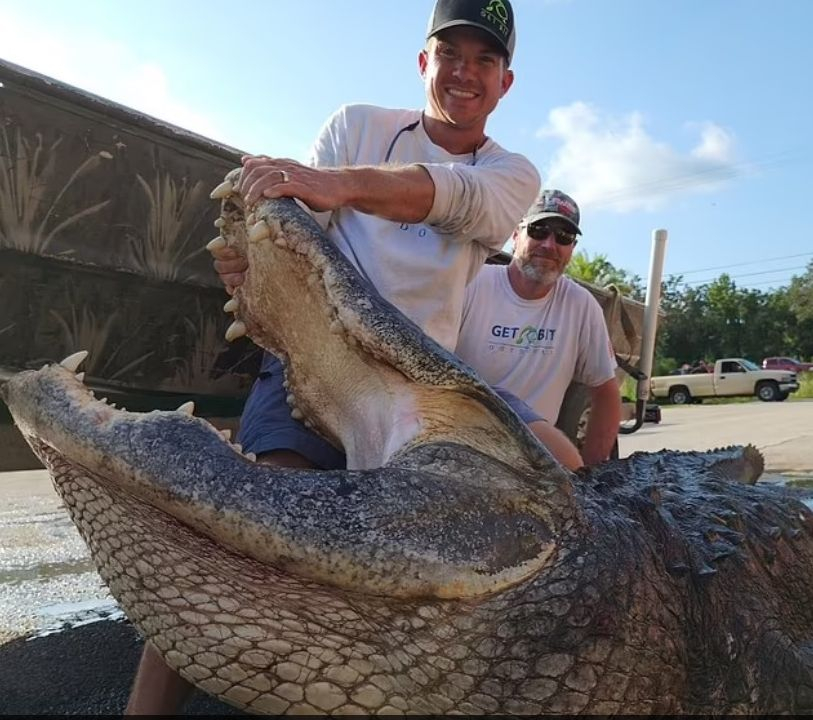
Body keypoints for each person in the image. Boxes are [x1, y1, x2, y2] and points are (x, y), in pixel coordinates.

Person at [126, 0, 545, 713]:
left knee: (401, 567)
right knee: (245, 520)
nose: (464, 72)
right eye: (450, 54)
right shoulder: (358, 125)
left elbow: (456, 197)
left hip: (415, 392)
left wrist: (338, 184)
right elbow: (292, 234)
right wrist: (250, 265)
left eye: (484, 59)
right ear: (424, 63)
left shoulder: (513, 175)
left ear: (505, 82)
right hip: (311, 355)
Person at [454, 189, 622, 466]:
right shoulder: (470, 285)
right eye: (539, 230)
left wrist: (594, 479)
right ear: (516, 235)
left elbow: (605, 392)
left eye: (564, 237)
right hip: (461, 448)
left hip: (534, 463)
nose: (549, 244)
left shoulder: (580, 305)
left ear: (572, 249)